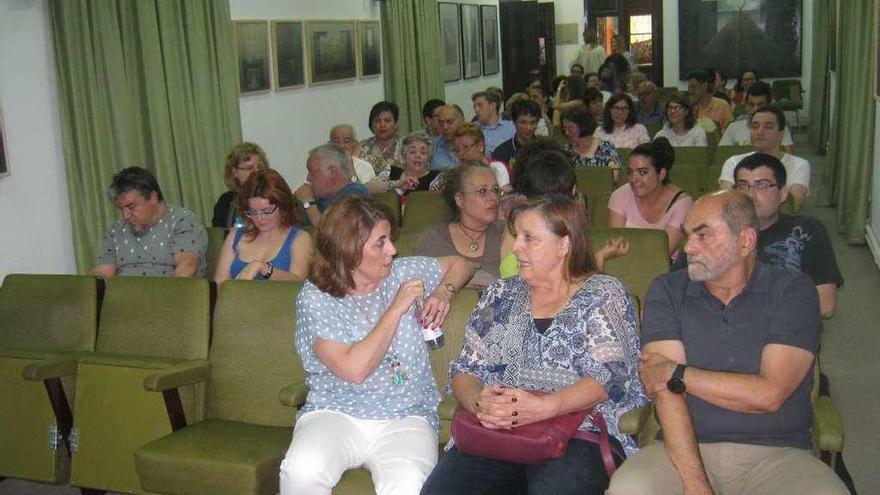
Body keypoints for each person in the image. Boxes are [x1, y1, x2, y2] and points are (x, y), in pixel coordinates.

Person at [606, 191, 849, 495]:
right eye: (687, 235)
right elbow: (664, 389)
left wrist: (679, 374)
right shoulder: (667, 290)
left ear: (745, 241)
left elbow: (770, 394)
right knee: (629, 489)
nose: (688, 247)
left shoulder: (793, 291)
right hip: (681, 450)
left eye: (703, 235)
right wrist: (695, 483)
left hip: (777, 454)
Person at [420, 195, 647, 495]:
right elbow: (465, 368)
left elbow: (611, 376)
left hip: (577, 432)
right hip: (496, 432)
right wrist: (480, 403)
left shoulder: (604, 294)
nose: (516, 247)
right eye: (517, 237)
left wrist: (543, 407)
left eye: (529, 238)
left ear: (563, 245)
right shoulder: (500, 294)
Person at [279, 196, 474, 495]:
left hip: (406, 414)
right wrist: (396, 310)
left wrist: (444, 292)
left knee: (408, 484)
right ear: (349, 251)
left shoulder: (400, 273)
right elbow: (354, 369)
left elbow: (461, 264)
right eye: (380, 243)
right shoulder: (317, 298)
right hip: (336, 411)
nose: (393, 250)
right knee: (300, 472)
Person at [732, 153, 843, 318]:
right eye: (742, 186)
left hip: (782, 333)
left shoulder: (806, 230)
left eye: (761, 185)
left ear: (783, 194)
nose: (750, 195)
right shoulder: (716, 232)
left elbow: (825, 305)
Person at [92, 166, 207, 278]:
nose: (125, 216)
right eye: (121, 209)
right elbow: (104, 271)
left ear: (153, 198)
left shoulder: (182, 221)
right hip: (124, 294)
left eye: (131, 207)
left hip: (167, 293)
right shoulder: (117, 229)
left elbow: (187, 267)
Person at [415, 162, 510, 288]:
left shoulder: (508, 233)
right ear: (460, 200)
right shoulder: (433, 240)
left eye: (496, 190)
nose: (493, 197)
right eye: (482, 191)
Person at [214, 169, 313, 283]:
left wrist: (264, 268)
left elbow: (299, 284)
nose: (259, 219)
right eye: (253, 212)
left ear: (283, 207)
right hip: (237, 299)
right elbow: (220, 284)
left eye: (266, 211)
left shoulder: (299, 239)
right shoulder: (235, 236)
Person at [608, 138, 692, 258]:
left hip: (666, 270)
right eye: (630, 172)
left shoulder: (682, 204)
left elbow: (661, 255)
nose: (634, 179)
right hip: (625, 266)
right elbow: (616, 248)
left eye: (642, 172)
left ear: (661, 174)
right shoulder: (620, 196)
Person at [718, 106, 810, 211]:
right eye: (755, 127)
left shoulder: (799, 165)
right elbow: (726, 203)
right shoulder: (733, 162)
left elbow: (794, 206)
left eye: (768, 127)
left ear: (781, 134)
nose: (760, 132)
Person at [294, 144, 369, 226]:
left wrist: (308, 203)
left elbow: (331, 235)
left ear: (332, 172)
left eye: (312, 171)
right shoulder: (318, 198)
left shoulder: (355, 194)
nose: (308, 178)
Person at [719, 81, 795, 153]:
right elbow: (721, 156)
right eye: (751, 105)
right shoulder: (733, 128)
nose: (755, 109)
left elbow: (790, 159)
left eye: (760, 105)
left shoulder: (780, 129)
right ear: (746, 106)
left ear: (769, 105)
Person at [212, 142, 269, 229]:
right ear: (234, 172)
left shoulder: (273, 196)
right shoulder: (226, 201)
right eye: (249, 168)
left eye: (260, 167)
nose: (256, 172)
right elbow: (221, 235)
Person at [561, 105, 623, 182]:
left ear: (582, 125)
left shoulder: (607, 149)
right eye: (564, 128)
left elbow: (616, 179)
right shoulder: (565, 151)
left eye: (570, 128)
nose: (567, 132)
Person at [449, 123, 511, 192]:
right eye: (457, 150)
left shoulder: (497, 168)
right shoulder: (458, 173)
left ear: (480, 146)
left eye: (466, 147)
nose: (460, 153)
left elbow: (505, 198)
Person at [358, 101, 404, 180]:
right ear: (372, 125)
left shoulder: (407, 145)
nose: (382, 125)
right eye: (377, 121)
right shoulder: (361, 147)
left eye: (387, 121)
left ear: (396, 124)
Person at [492, 100, 541, 171]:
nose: (528, 127)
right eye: (523, 122)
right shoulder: (501, 152)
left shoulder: (545, 150)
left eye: (533, 122)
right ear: (514, 122)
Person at [472, 91, 516, 155]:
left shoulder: (511, 127)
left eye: (480, 105)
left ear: (493, 105)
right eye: (474, 107)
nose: (476, 110)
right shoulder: (472, 129)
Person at [431, 104, 465, 171]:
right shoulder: (433, 147)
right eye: (441, 123)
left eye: (449, 122)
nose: (445, 127)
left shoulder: (474, 145)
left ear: (462, 121)